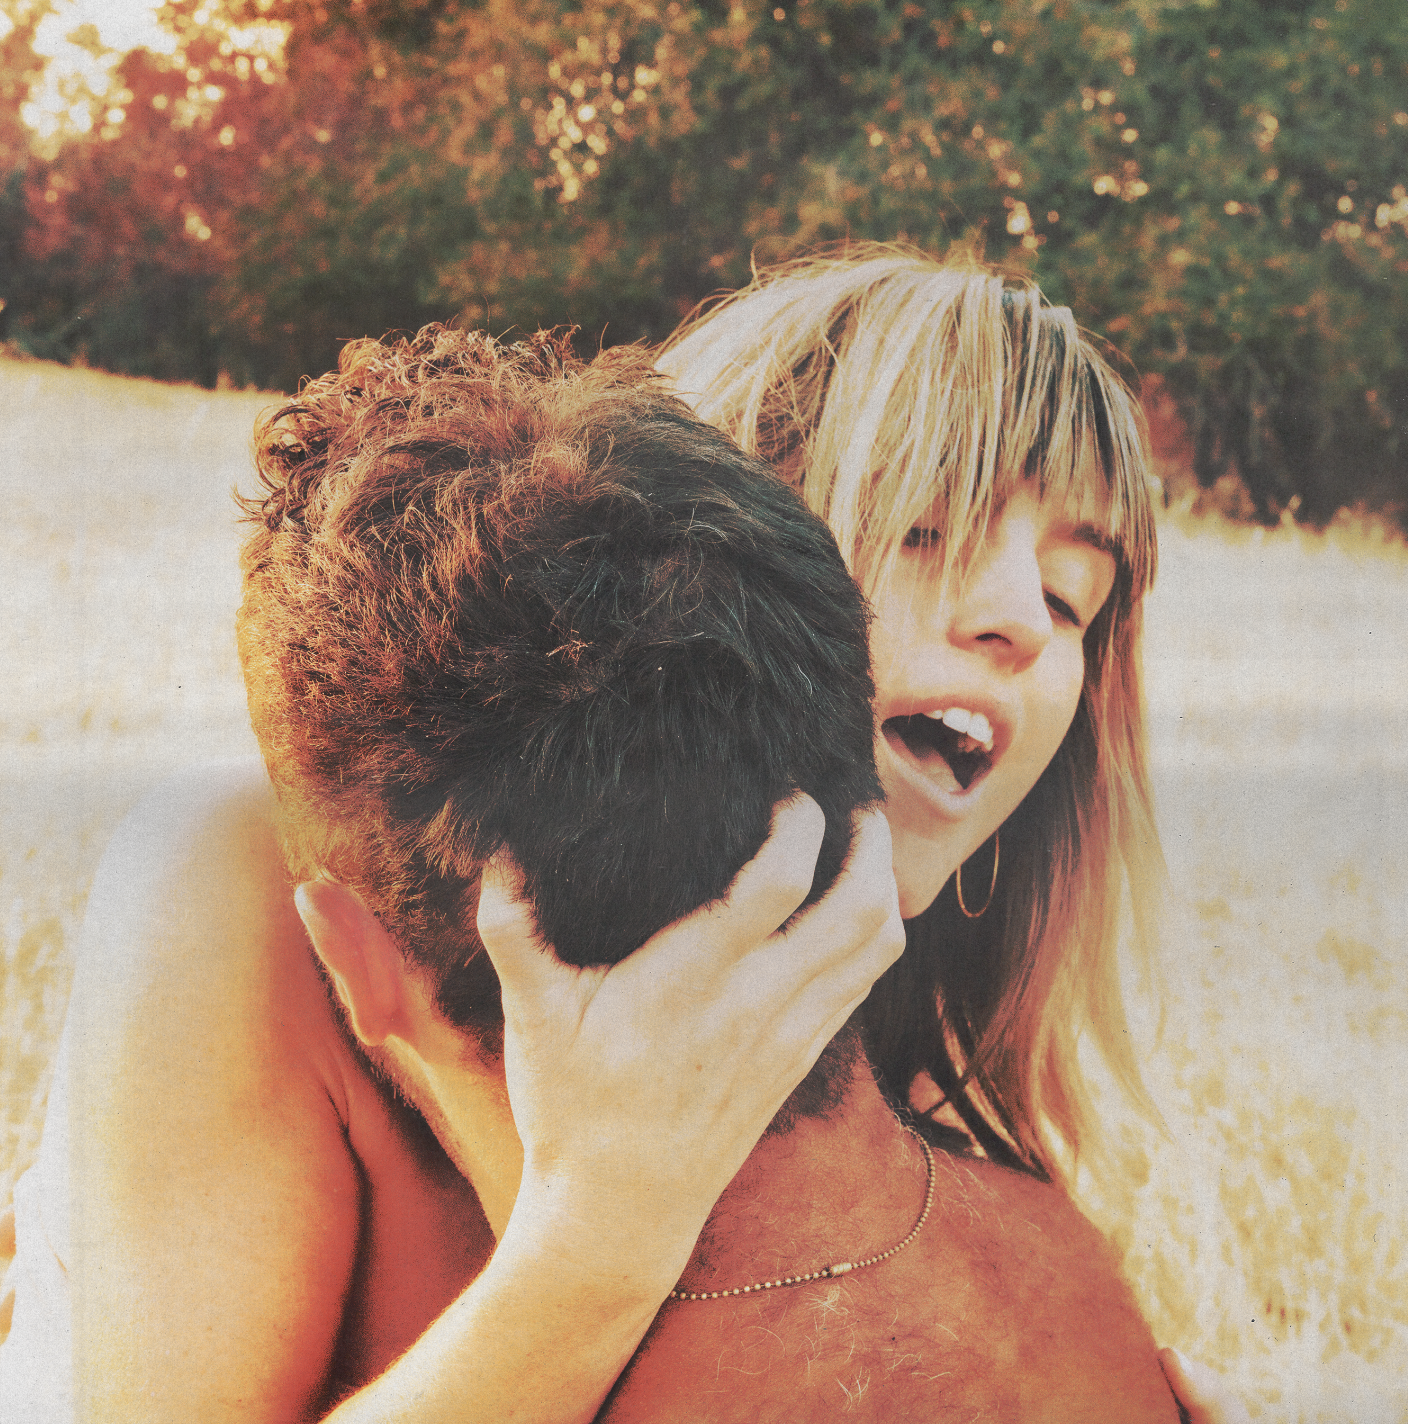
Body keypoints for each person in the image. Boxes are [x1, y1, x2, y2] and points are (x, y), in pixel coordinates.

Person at [0, 245, 1238, 1422]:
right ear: (706, 538)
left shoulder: (899, 1077)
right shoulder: (260, 882)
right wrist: (596, 1243)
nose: (1025, 616)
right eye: (926, 530)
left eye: (1078, 593)